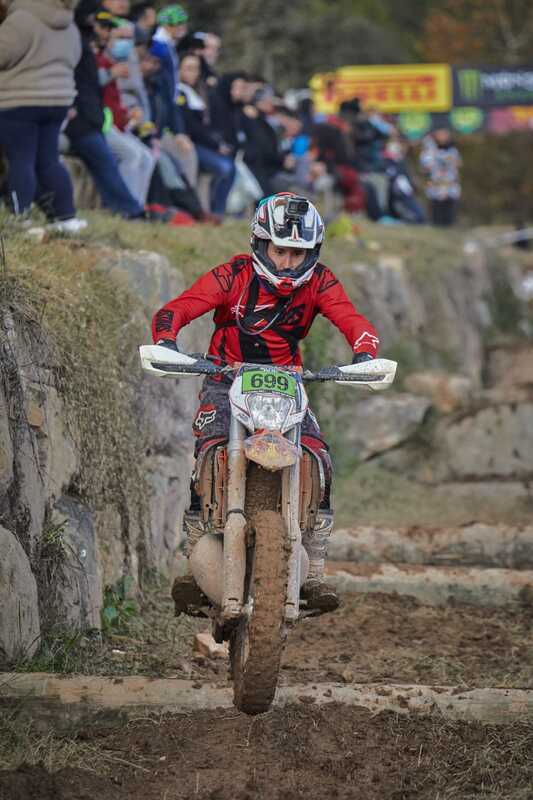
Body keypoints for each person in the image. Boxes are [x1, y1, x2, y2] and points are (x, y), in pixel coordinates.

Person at [151, 192, 380, 613]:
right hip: (224, 376)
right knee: (207, 454)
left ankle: (315, 568)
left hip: (289, 382)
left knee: (320, 459)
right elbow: (179, 308)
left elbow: (352, 319)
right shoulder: (233, 274)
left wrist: (364, 352)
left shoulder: (321, 281)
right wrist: (167, 340)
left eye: (298, 252)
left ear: (312, 252)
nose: (289, 262)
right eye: (280, 250)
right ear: (261, 244)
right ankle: (195, 554)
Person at [0, 0, 87, 232]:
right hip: (58, 101)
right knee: (48, 160)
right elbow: (75, 58)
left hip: (20, 100)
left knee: (21, 160)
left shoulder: (22, 20)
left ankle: (21, 216)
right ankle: (66, 217)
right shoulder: (69, 24)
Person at [420, 128, 461, 227]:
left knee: (449, 214)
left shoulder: (453, 150)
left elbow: (457, 164)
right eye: (440, 134)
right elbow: (426, 168)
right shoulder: (428, 152)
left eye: (445, 134)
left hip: (450, 186)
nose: (443, 136)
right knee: (436, 214)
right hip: (435, 187)